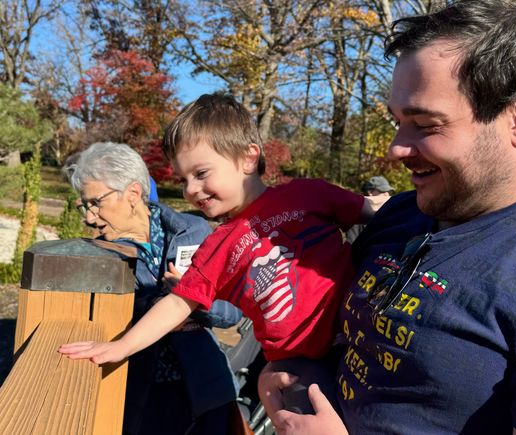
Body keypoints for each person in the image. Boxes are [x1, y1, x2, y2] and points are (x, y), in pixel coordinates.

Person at [258, 0, 516, 433]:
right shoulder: (403, 213)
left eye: (425, 125)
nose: (396, 148)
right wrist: (284, 374)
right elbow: (342, 336)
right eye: (396, 122)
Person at [59, 93, 381, 414]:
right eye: (183, 180)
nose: (190, 190)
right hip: (298, 366)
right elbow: (177, 303)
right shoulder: (219, 245)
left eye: (200, 174)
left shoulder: (307, 194)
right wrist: (121, 346)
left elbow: (377, 213)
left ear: (248, 158)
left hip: (362, 335)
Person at [64, 142, 242, 435]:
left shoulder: (193, 231)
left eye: (95, 203)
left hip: (208, 387)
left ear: (133, 194)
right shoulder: (99, 256)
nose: (88, 217)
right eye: (84, 205)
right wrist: (165, 305)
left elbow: (232, 311)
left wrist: (197, 303)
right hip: (144, 398)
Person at [346, 176, 395, 243]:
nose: (387, 194)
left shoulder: (390, 215)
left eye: (388, 191)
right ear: (370, 192)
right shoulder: (357, 219)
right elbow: (352, 247)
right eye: (382, 191)